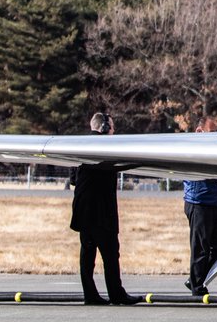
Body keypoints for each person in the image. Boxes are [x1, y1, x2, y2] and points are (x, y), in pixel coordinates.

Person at [69, 112, 138, 306]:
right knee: (110, 254)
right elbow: (115, 166)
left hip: (82, 212)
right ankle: (117, 294)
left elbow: (73, 179)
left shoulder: (79, 147)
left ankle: (90, 295)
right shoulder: (103, 146)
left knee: (87, 254)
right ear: (104, 128)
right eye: (112, 128)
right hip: (100, 213)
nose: (113, 132)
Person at [182, 119, 217, 296]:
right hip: (199, 202)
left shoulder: (216, 150)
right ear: (199, 131)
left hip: (215, 203)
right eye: (213, 132)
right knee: (200, 248)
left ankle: (196, 278)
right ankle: (197, 287)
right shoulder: (193, 150)